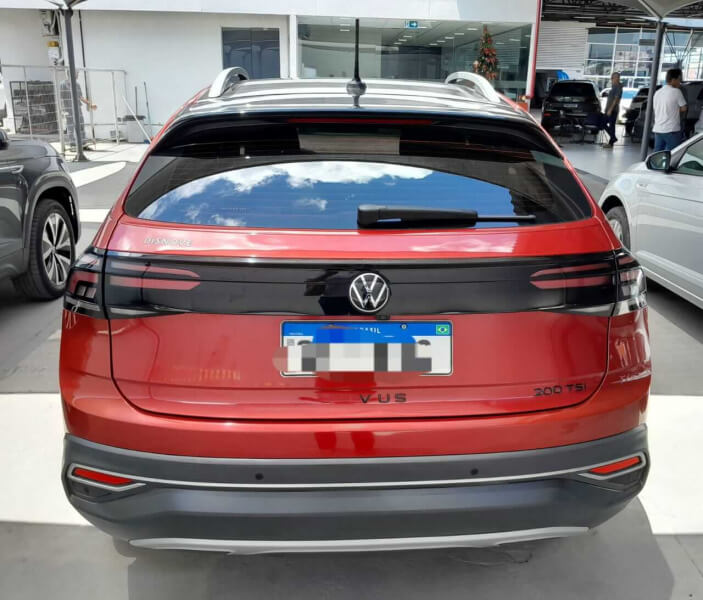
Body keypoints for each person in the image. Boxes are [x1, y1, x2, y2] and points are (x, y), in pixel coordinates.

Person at [58, 65, 97, 150]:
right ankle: (72, 145)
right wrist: (62, 110)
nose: (78, 75)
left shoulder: (77, 84)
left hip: (78, 109)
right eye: (77, 73)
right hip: (68, 109)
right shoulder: (63, 84)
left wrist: (90, 104)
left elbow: (80, 97)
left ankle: (83, 144)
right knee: (70, 126)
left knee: (81, 125)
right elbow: (60, 98)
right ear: (72, 73)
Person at [652, 68, 687, 152]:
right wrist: (674, 110)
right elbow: (684, 108)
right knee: (672, 153)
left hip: (658, 129)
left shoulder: (658, 92)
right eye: (679, 79)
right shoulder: (676, 91)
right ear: (674, 79)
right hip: (671, 129)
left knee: (657, 153)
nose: (680, 82)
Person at [603, 72, 622, 148]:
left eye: (614, 77)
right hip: (609, 109)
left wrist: (610, 109)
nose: (612, 79)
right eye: (612, 77)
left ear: (618, 78)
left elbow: (616, 99)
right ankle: (612, 140)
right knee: (609, 125)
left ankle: (612, 139)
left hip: (613, 110)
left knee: (605, 123)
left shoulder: (618, 87)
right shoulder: (614, 86)